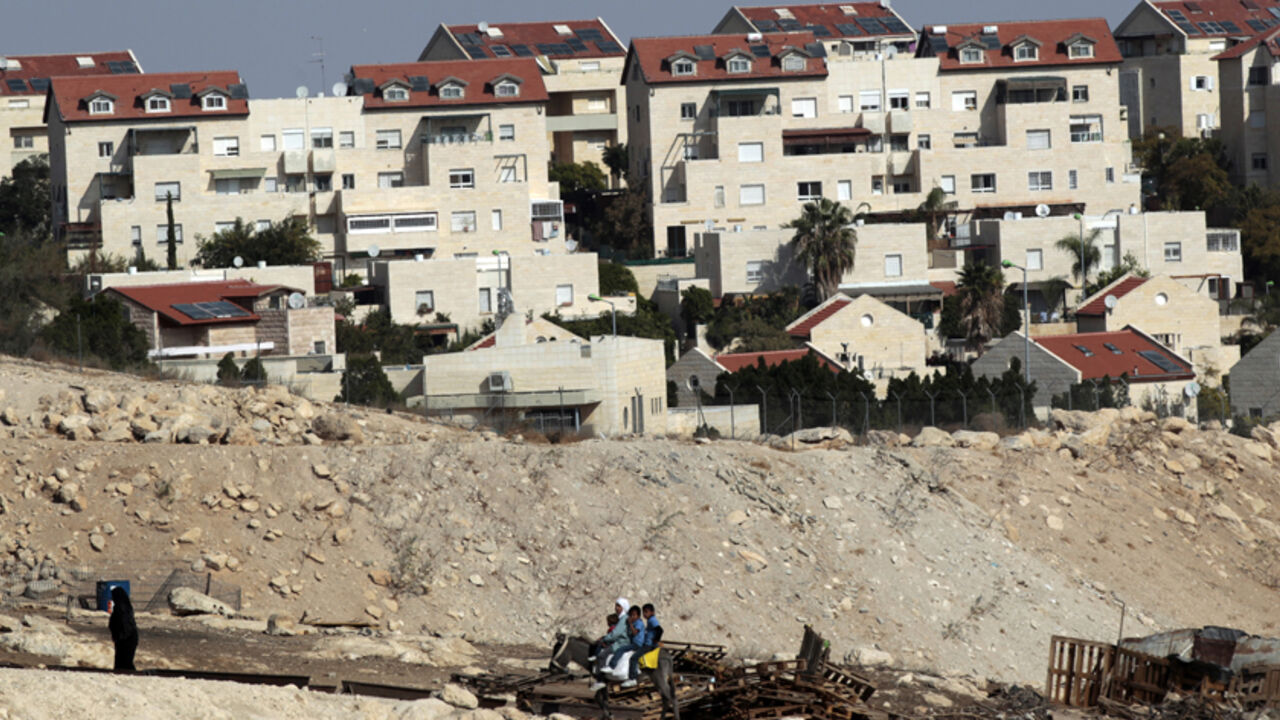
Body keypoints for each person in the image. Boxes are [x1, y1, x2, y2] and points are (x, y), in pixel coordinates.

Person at [626, 603, 663, 685]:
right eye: (644, 612)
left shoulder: (652, 620)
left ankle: (632, 678)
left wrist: (656, 640)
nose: (645, 614)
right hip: (647, 643)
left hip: (648, 645)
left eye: (646, 612)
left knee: (633, 658)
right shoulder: (650, 620)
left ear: (652, 612)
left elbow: (660, 630)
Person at [108, 586, 137, 671]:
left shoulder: (121, 608)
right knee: (123, 661)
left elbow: (124, 624)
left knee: (124, 661)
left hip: (126, 638)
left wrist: (120, 636)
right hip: (124, 638)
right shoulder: (123, 606)